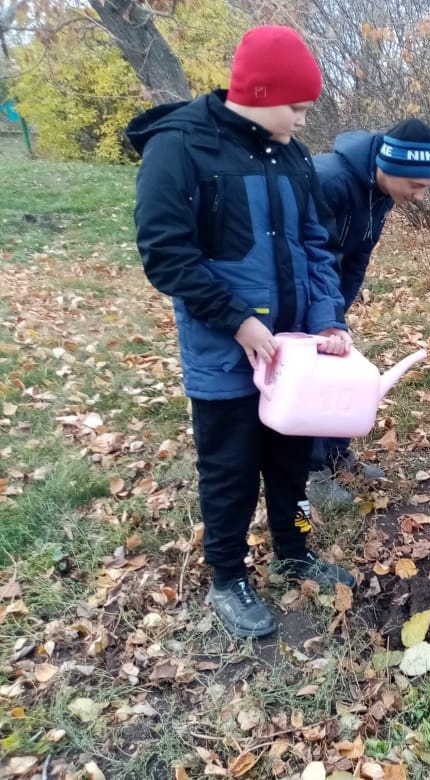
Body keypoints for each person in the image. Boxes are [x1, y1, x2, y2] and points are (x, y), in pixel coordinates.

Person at [127, 25, 357, 639]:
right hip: (223, 355)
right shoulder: (180, 149)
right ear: (258, 92)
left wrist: (328, 320)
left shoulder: (294, 156)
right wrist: (237, 321)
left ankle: (294, 550)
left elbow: (316, 244)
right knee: (229, 468)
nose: (304, 120)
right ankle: (227, 577)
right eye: (298, 107)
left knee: (291, 462)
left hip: (295, 357)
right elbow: (166, 254)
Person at [307, 118, 430, 507]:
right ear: (391, 167)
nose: (419, 197)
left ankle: (335, 453)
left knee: (339, 372)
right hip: (301, 295)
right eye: (415, 186)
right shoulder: (329, 180)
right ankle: (311, 472)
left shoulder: (380, 193)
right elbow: (312, 258)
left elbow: (356, 257)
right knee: (314, 381)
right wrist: (324, 318)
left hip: (328, 298)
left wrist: (339, 311)